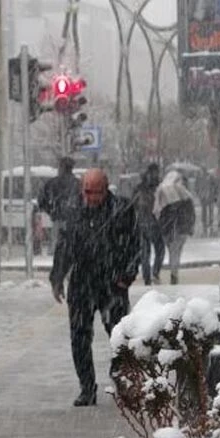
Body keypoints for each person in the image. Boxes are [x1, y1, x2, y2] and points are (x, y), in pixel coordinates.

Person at [49, 168, 140, 407]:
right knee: (79, 338)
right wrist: (57, 278)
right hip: (82, 283)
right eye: (88, 192)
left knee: (119, 336)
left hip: (112, 283)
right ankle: (87, 388)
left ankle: (122, 382)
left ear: (106, 189)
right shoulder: (74, 211)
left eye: (97, 192)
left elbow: (135, 245)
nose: (92, 198)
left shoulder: (121, 209)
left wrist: (126, 276)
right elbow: (64, 246)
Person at [153, 170, 196, 285]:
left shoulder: (163, 192)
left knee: (172, 251)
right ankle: (174, 273)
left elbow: (157, 211)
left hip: (169, 229)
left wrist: (162, 226)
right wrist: (190, 226)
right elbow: (191, 213)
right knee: (177, 252)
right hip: (182, 229)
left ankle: (174, 273)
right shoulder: (185, 194)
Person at [37, 156, 81, 256]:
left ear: (61, 167)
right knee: (74, 245)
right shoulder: (78, 184)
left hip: (58, 219)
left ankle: (57, 255)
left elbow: (41, 200)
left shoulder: (52, 183)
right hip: (75, 221)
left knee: (57, 244)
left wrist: (51, 211)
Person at [132, 163, 164, 285]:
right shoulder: (159, 187)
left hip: (142, 223)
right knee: (159, 249)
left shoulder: (139, 187)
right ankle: (155, 272)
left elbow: (133, 204)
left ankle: (147, 277)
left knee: (145, 251)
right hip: (155, 223)